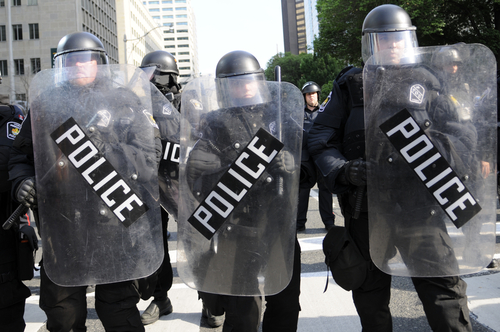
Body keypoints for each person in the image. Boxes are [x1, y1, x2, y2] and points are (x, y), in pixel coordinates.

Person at [308, 4, 473, 331]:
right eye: (385, 38)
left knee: (444, 294)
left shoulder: (430, 83)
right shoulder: (350, 85)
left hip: (421, 209)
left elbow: (463, 136)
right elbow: (321, 138)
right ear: (373, 43)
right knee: (370, 300)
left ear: (409, 40)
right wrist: (345, 170)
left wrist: (431, 143)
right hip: (366, 210)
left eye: (398, 38)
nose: (392, 44)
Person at [9, 31, 161, 332]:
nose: (79, 67)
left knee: (119, 309)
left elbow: (150, 158)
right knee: (63, 311)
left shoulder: (125, 102)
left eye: (86, 61)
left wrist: (109, 151)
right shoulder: (46, 105)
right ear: (61, 66)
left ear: (98, 63)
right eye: (71, 61)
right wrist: (22, 182)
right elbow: (21, 156)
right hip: (63, 223)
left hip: (116, 220)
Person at [183, 50, 301, 331]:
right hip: (236, 228)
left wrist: (294, 166)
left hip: (278, 223)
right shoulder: (214, 123)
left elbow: (309, 159)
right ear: (225, 88)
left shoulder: (281, 115)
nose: (244, 87)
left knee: (285, 303)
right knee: (242, 309)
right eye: (235, 82)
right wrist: (202, 167)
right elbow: (196, 181)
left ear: (260, 81)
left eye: (249, 80)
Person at [138, 50, 179, 325]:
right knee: (154, 243)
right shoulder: (135, 103)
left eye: (157, 78)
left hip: (185, 184)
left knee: (204, 241)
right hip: (150, 186)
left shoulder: (189, 102)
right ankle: (160, 297)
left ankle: (212, 299)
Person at [0, 73, 34, 332]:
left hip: (5, 229)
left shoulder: (14, 120)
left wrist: (23, 184)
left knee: (8, 307)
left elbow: (23, 160)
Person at [296, 81, 335, 232]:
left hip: (321, 156)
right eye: (308, 94)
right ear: (304, 97)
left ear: (318, 95)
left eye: (313, 94)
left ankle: (329, 222)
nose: (311, 97)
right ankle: (299, 223)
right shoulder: (298, 113)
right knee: (303, 190)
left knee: (325, 189)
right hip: (305, 158)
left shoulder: (325, 111)